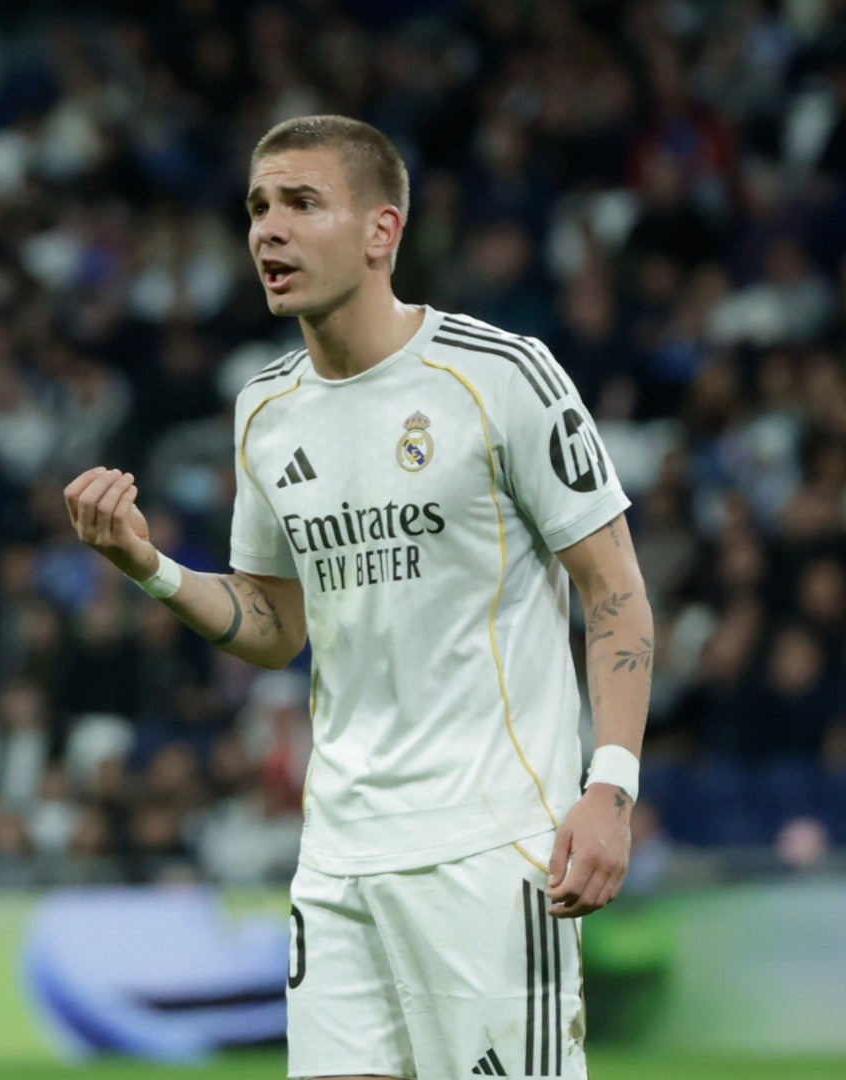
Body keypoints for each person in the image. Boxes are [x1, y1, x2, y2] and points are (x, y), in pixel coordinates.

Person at [67, 115, 650, 1080]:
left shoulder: (501, 375)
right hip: (338, 853)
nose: (268, 231)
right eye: (258, 207)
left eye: (301, 203)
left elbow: (616, 589)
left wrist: (612, 787)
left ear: (383, 231)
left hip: (491, 845)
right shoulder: (265, 409)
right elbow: (273, 626)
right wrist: (149, 566)